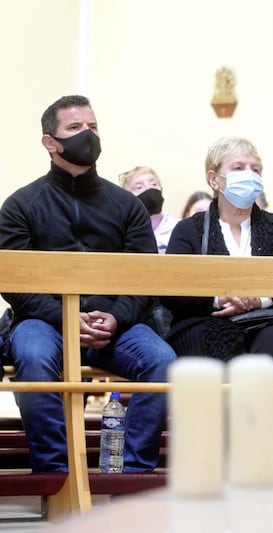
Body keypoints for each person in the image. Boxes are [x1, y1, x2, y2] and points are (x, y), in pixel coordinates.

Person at [0, 95, 176, 472]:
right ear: (51, 142)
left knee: (164, 362)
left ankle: (132, 475)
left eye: (93, 127)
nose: (88, 135)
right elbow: (14, 281)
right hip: (44, 321)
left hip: (115, 322)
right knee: (32, 357)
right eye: (75, 128)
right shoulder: (20, 205)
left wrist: (115, 318)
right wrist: (64, 317)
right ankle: (54, 474)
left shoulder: (127, 206)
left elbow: (144, 276)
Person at [163, 136, 273, 362]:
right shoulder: (188, 230)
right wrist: (217, 299)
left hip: (269, 319)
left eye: (255, 169)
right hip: (204, 320)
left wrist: (259, 299)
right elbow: (171, 292)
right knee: (216, 345)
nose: (250, 175)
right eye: (239, 168)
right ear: (214, 179)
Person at [119, 166, 180, 254]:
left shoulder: (178, 227)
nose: (149, 189)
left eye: (154, 184)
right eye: (139, 187)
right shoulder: (122, 231)